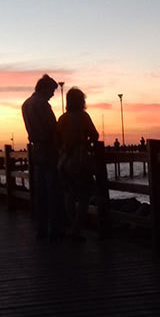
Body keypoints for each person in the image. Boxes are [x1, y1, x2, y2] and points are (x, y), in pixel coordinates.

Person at [22, 74, 64, 240]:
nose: (53, 94)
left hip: (35, 149)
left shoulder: (26, 104)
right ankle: (55, 228)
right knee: (53, 189)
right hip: (48, 148)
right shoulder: (42, 104)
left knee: (40, 190)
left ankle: (41, 227)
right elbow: (52, 128)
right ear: (44, 88)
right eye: (52, 90)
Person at [56, 88, 99, 241]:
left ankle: (73, 227)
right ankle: (76, 229)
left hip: (64, 162)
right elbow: (95, 135)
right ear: (81, 101)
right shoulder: (83, 117)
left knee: (69, 194)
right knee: (85, 196)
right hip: (79, 163)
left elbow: (57, 139)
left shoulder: (62, 118)